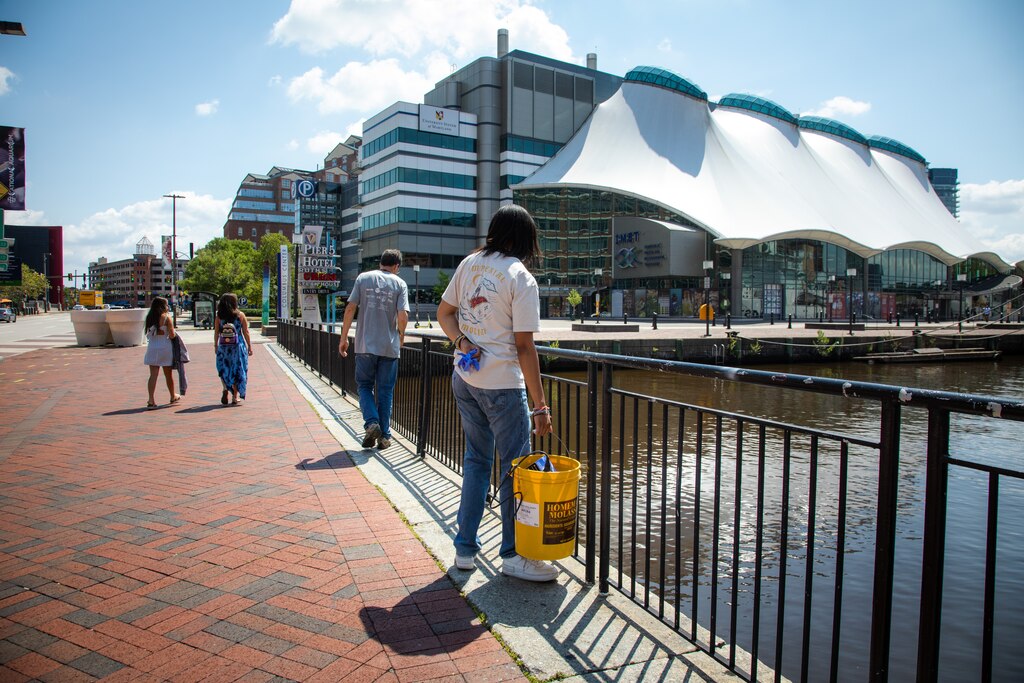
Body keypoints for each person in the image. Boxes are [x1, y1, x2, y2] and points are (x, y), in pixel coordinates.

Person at [437, 204, 556, 582]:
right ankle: (513, 554)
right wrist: (540, 406)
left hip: (466, 378)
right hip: (503, 386)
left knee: (475, 461)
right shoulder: (520, 277)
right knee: (514, 470)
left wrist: (461, 342)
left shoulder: (470, 263)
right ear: (524, 238)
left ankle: (465, 549)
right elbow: (524, 347)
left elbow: (444, 313)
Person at [338, 249, 410, 450]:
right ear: (396, 266)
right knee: (385, 391)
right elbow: (402, 315)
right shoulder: (399, 283)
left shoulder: (363, 278)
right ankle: (384, 436)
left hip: (364, 345)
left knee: (364, 386)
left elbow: (350, 309)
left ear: (381, 263)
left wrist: (343, 339)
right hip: (389, 346)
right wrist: (401, 336)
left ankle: (372, 424)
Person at [215, 293, 253, 405]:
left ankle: (225, 388)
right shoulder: (240, 315)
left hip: (224, 346)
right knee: (237, 369)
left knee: (224, 368)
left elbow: (216, 332)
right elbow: (246, 332)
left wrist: (215, 345)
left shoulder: (219, 316)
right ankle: (235, 397)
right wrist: (249, 346)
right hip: (237, 346)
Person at [143, 297, 180, 409]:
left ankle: (151, 400)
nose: (168, 307)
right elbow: (172, 335)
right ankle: (172, 396)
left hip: (153, 348)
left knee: (153, 375)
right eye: (167, 305)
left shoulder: (149, 318)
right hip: (165, 347)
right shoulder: (166, 317)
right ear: (163, 306)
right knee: (168, 375)